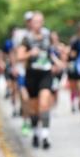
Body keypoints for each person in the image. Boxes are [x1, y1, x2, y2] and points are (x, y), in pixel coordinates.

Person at [18, 12, 62, 149]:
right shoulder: (26, 38)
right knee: (34, 109)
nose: (37, 24)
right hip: (31, 75)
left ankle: (45, 136)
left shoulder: (48, 36)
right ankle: (36, 133)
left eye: (40, 21)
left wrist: (56, 63)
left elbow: (52, 52)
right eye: (35, 22)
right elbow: (19, 56)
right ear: (31, 23)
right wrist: (30, 53)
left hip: (45, 74)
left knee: (44, 104)